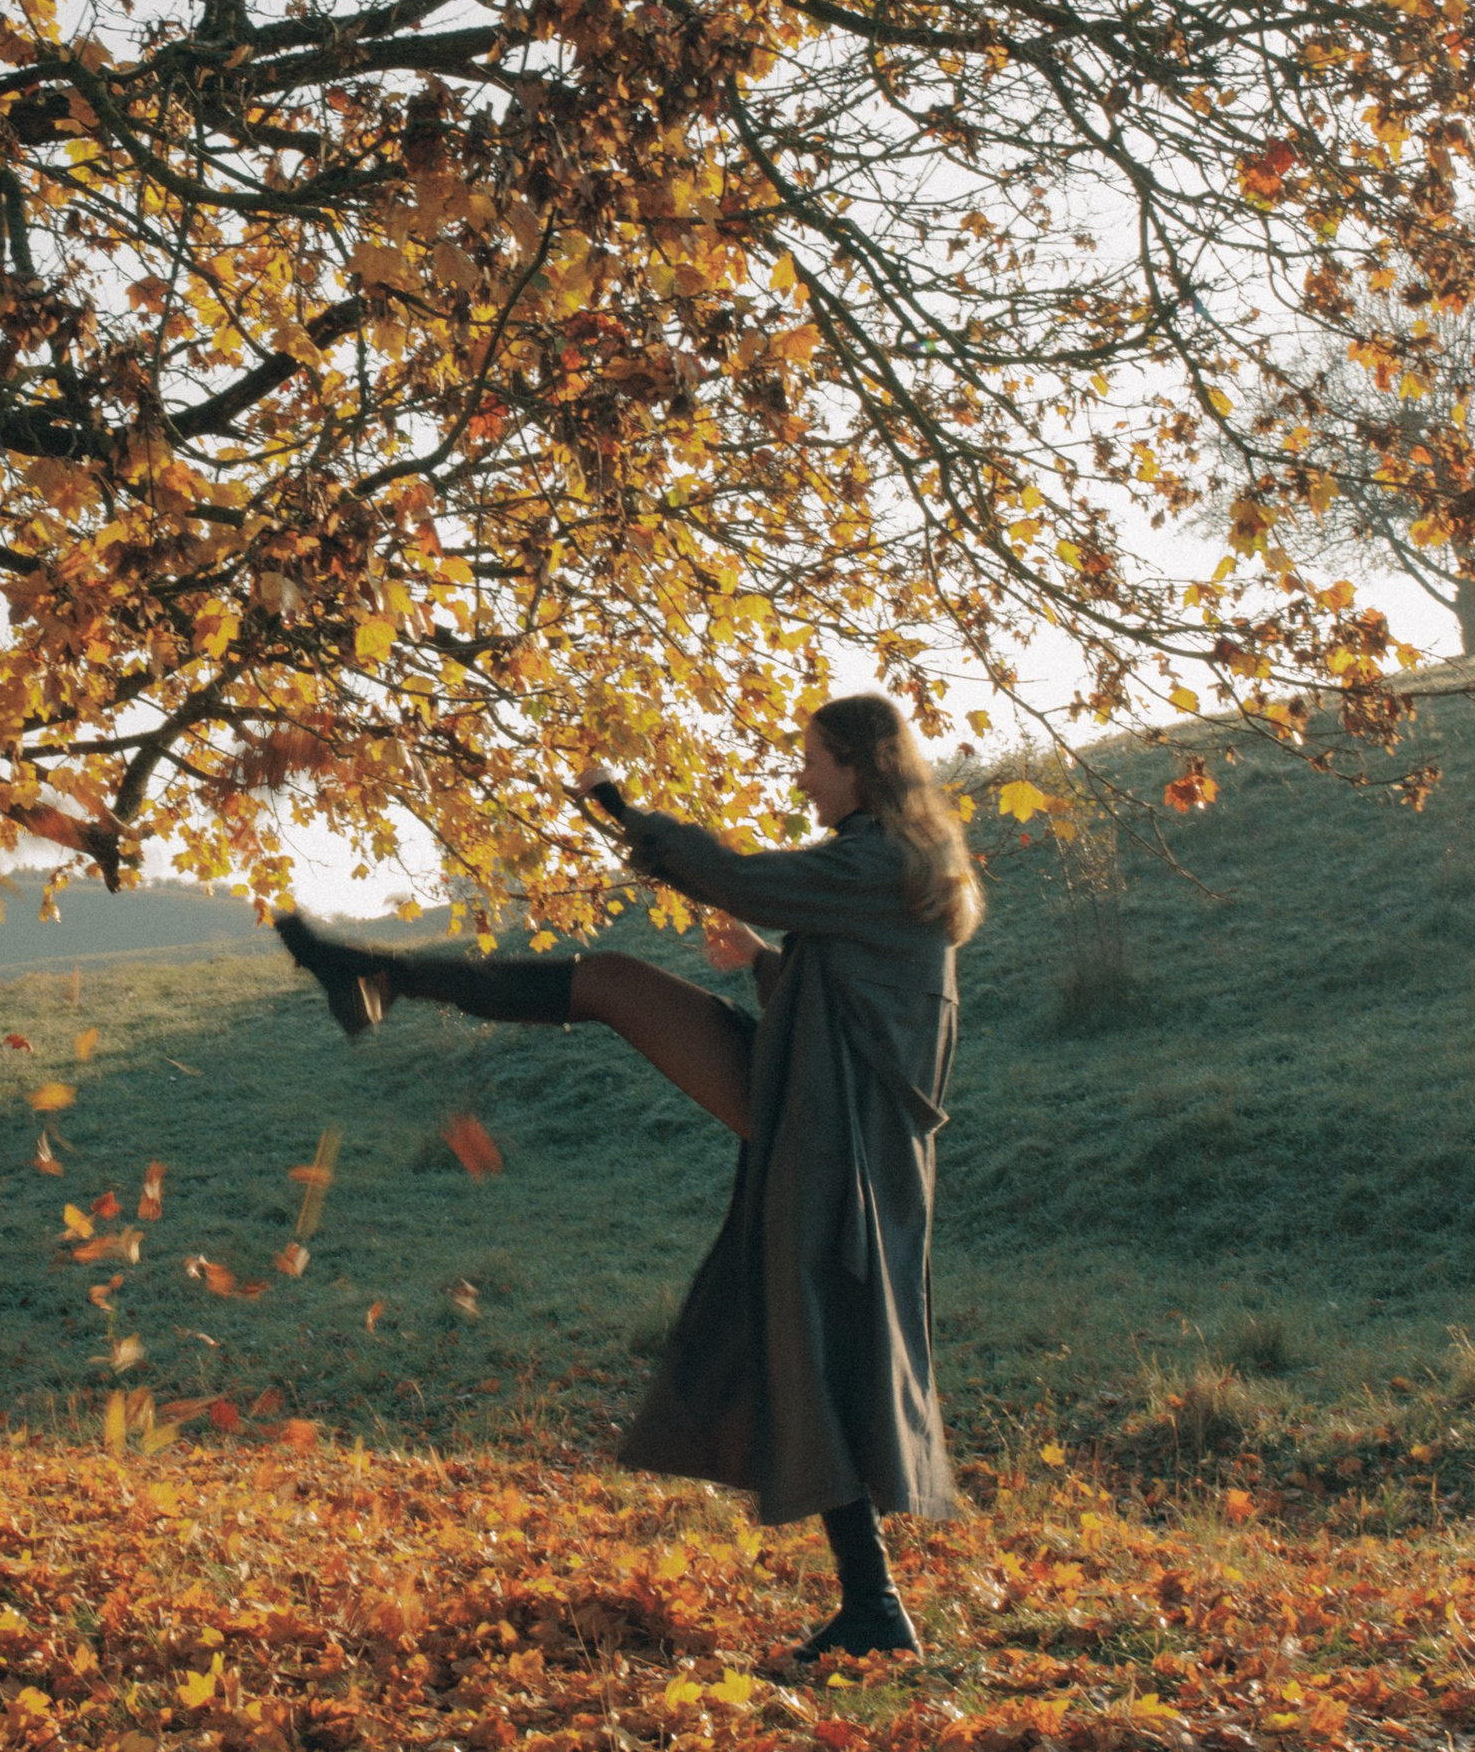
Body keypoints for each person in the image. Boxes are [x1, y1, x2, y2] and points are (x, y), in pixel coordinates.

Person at [273, 693, 980, 1666]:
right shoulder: (880, 862)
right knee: (609, 980)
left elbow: (736, 877)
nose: (800, 775)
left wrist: (615, 806)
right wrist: (766, 964)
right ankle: (378, 977)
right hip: (808, 1097)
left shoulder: (879, 860)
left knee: (815, 1353)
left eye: (813, 757)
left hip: (836, 1135)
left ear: (860, 762)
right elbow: (855, 996)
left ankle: (875, 1608)